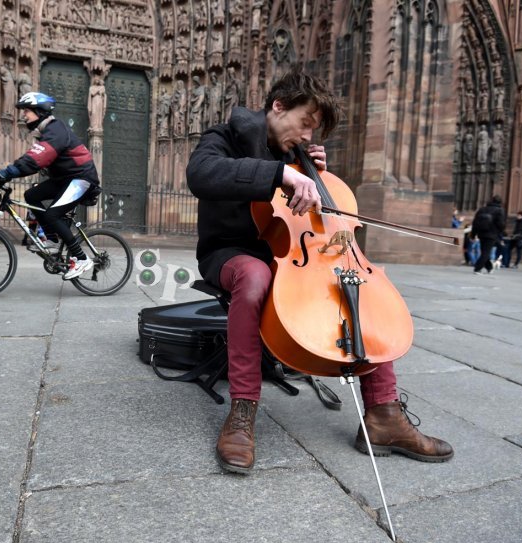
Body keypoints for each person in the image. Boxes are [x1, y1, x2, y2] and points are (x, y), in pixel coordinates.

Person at [186, 65, 453, 474]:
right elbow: (201, 174)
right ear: (278, 106)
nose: (309, 136)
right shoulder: (224, 137)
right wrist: (281, 173)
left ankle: (384, 415)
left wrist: (316, 175)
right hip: (231, 252)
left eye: (315, 131)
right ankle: (242, 412)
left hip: (296, 255)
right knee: (255, 277)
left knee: (357, 283)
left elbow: (320, 225)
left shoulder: (297, 155)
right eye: (305, 123)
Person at [0, 92, 100, 280]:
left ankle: (82, 259)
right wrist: (7, 173)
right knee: (31, 195)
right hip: (65, 179)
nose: (24, 115)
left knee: (52, 214)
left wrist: (9, 173)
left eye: (27, 111)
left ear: (40, 111)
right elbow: (33, 157)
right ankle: (52, 239)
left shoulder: (55, 130)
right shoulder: (46, 132)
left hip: (81, 179)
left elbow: (36, 159)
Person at [471, 195, 506, 275]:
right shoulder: (499, 210)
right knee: (486, 252)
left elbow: (475, 223)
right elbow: (501, 224)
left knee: (484, 251)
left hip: (481, 233)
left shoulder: (482, 209)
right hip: (492, 234)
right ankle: (477, 268)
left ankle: (489, 268)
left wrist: (473, 234)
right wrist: (501, 232)